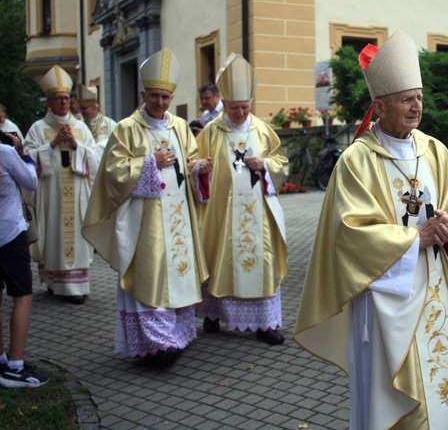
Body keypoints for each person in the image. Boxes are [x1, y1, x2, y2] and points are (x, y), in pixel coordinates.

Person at [295, 30, 448, 429]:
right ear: (379, 106)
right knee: (399, 399)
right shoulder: (357, 161)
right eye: (406, 99)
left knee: (442, 382)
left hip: (438, 288)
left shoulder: (434, 150)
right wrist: (418, 236)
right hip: (387, 299)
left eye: (419, 96)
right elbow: (350, 233)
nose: (416, 106)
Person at [82, 48, 212, 364]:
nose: (160, 102)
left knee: (177, 276)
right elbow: (113, 172)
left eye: (166, 97)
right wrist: (150, 164)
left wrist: (199, 169)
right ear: (143, 94)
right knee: (149, 277)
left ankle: (174, 339)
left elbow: (190, 160)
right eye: (155, 96)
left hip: (179, 218)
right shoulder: (127, 128)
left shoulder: (181, 127)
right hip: (146, 222)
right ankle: (154, 344)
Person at [196, 53, 289, 345]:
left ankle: (264, 323)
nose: (239, 113)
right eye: (234, 107)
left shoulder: (261, 130)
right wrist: (201, 169)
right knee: (218, 256)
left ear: (251, 104)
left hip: (257, 212)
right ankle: (212, 315)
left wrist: (267, 166)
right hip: (222, 212)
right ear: (224, 104)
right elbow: (194, 162)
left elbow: (281, 162)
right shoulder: (211, 131)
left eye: (244, 107)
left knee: (262, 259)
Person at [23, 66, 100, 305]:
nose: (65, 102)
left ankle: (77, 287)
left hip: (77, 193)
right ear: (50, 102)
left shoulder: (80, 128)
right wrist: (53, 144)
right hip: (52, 195)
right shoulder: (38, 128)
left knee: (76, 234)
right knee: (54, 233)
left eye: (67, 98)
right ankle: (54, 283)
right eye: (59, 98)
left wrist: (76, 145)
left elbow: (95, 158)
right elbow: (26, 158)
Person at [0, 130, 48, 388]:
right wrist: (23, 152)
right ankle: (15, 367)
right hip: (8, 233)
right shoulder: (5, 153)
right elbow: (31, 181)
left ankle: (0, 359)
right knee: (22, 296)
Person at [78, 84, 117, 153]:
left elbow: (116, 144)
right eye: (80, 109)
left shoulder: (110, 124)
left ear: (94, 107)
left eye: (84, 108)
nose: (82, 112)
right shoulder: (80, 125)